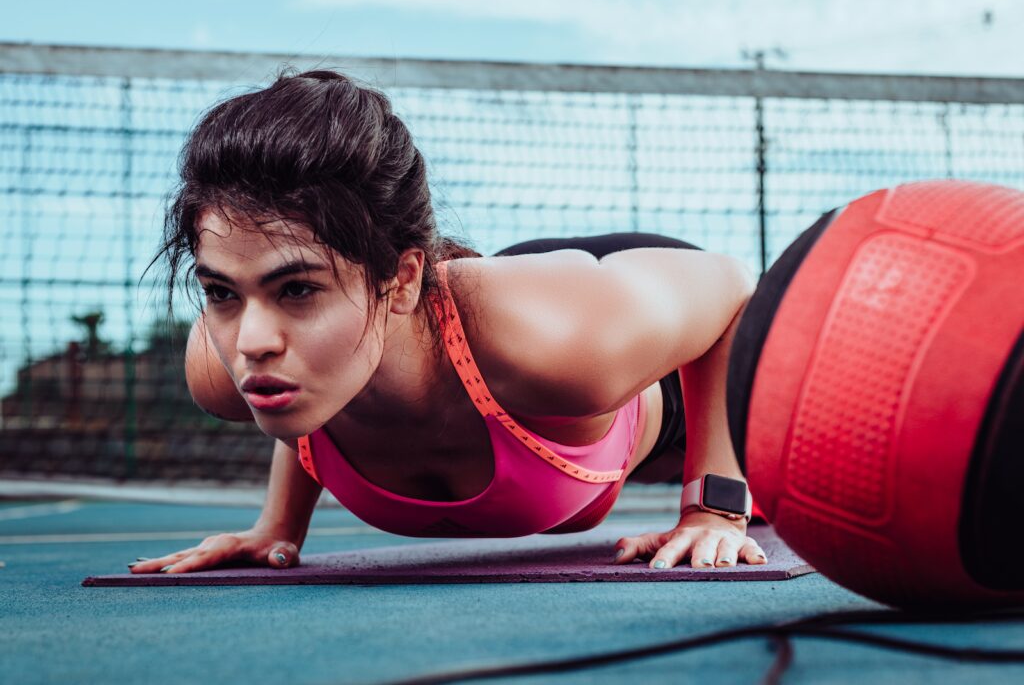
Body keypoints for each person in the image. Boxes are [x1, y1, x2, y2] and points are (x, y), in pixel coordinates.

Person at [129, 69, 766, 576]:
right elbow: (311, 389)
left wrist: (713, 509)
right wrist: (277, 526)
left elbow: (735, 288)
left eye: (296, 289)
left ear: (401, 279)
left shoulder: (566, 346)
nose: (251, 343)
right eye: (220, 292)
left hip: (635, 375)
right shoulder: (227, 365)